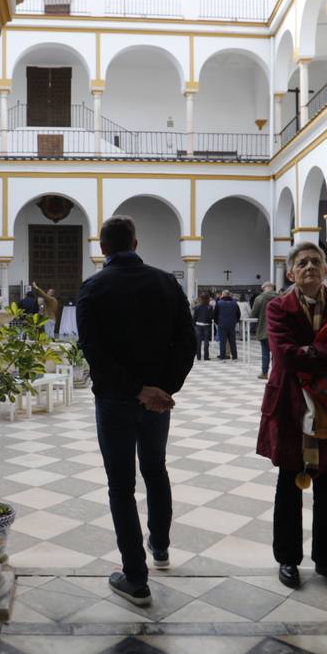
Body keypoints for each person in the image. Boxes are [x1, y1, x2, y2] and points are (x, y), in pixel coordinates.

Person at [76, 216, 197, 606]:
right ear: (136, 241)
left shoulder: (93, 289)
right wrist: (163, 390)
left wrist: (136, 390)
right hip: (157, 403)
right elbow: (187, 342)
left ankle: (136, 577)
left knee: (121, 486)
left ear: (102, 247)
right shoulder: (166, 282)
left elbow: (94, 352)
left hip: (114, 401)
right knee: (156, 470)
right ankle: (159, 546)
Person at [257, 242, 327, 594]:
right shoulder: (278, 308)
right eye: (302, 262)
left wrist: (312, 353)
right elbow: (285, 356)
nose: (310, 267)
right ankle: (288, 559)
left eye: (316, 261)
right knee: (289, 484)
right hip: (290, 406)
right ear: (290, 273)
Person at [251, 281, 279, 380]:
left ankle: (264, 373)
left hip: (264, 329)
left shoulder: (259, 298)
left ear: (263, 288)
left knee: (265, 352)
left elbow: (253, 315)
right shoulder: (280, 297)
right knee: (277, 353)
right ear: (272, 287)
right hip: (278, 330)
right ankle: (277, 374)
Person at [214, 290, 241, 361]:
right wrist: (235, 322)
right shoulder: (235, 303)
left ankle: (222, 357)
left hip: (222, 325)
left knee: (222, 342)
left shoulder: (219, 303)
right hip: (232, 325)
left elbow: (215, 314)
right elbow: (238, 314)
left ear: (223, 295)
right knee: (232, 341)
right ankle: (235, 357)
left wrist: (217, 322)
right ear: (229, 295)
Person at [192, 290, 215, 360]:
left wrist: (194, 325)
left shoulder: (197, 307)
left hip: (198, 325)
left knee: (198, 341)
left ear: (200, 298)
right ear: (208, 298)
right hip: (207, 325)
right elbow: (211, 317)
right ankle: (206, 356)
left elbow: (194, 317)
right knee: (206, 341)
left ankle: (198, 356)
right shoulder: (210, 307)